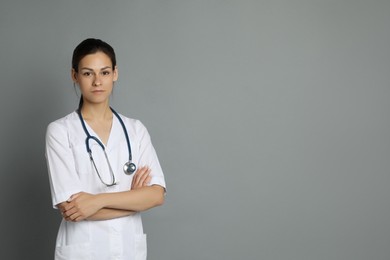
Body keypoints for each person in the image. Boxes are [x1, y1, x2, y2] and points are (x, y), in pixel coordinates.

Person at [45, 38, 166, 260]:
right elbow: (71, 209)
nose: (97, 81)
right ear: (75, 76)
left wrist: (97, 200)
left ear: (115, 74)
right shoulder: (60, 131)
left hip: (128, 247)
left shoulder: (135, 130)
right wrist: (133, 199)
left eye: (105, 72)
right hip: (82, 249)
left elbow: (156, 195)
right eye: (88, 73)